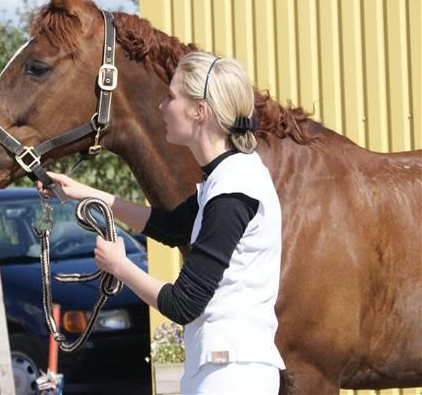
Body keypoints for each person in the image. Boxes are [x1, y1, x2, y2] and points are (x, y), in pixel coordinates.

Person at [38, 52, 285, 394]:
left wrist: (119, 266)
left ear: (199, 111)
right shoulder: (228, 177)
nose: (162, 107)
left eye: (171, 98)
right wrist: (83, 192)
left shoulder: (232, 192)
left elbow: (183, 304)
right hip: (224, 367)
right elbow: (171, 227)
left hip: (230, 374)